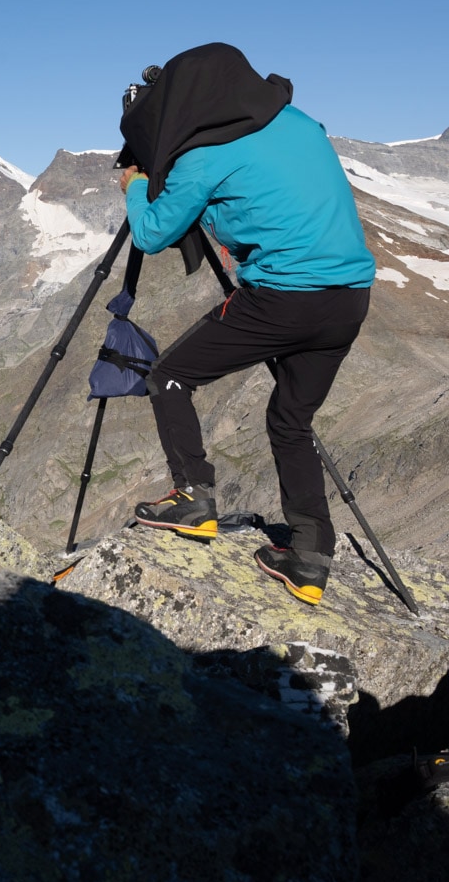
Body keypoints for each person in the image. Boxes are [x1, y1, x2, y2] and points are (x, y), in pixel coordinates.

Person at [115, 43, 375, 605]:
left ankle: (193, 499)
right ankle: (309, 554)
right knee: (290, 419)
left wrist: (137, 183)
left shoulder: (204, 156)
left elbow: (152, 234)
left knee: (169, 376)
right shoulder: (301, 123)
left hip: (283, 300)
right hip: (350, 298)